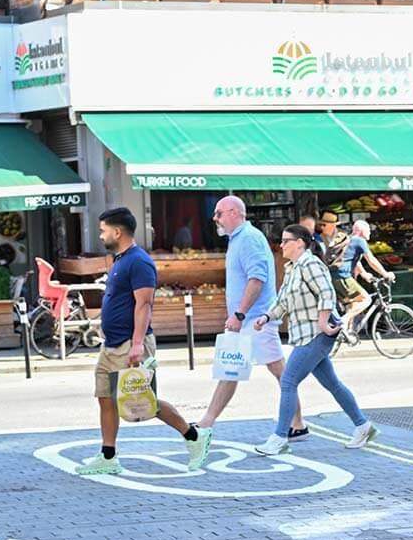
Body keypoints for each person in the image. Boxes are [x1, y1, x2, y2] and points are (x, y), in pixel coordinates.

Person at [77, 207, 212, 476]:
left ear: (117, 232)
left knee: (145, 402)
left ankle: (194, 436)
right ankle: (108, 456)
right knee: (105, 397)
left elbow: (144, 304)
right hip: (112, 343)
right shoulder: (120, 260)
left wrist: (137, 344)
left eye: (103, 230)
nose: (100, 235)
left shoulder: (139, 261)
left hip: (131, 343)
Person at [253, 224, 378, 456]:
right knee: (332, 384)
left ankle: (279, 437)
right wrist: (266, 316)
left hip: (316, 334)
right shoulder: (292, 268)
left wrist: (322, 321)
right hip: (305, 335)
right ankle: (363, 426)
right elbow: (282, 302)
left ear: (299, 243)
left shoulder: (310, 264)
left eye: (285, 240)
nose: (281, 245)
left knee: (288, 382)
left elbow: (327, 293)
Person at [198, 196, 309, 440]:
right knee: (231, 369)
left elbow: (257, 279)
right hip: (248, 319)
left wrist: (239, 314)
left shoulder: (248, 238)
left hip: (256, 320)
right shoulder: (238, 239)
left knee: (280, 372)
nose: (214, 218)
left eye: (218, 213)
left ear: (234, 213)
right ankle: (207, 421)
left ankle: (298, 423)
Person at [336, 220, 396, 325]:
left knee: (353, 304)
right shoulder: (359, 241)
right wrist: (385, 274)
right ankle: (342, 321)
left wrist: (364, 274)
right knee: (365, 300)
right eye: (368, 230)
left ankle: (346, 334)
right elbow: (371, 260)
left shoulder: (349, 240)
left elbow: (355, 261)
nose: (369, 232)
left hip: (336, 278)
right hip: (344, 277)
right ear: (360, 231)